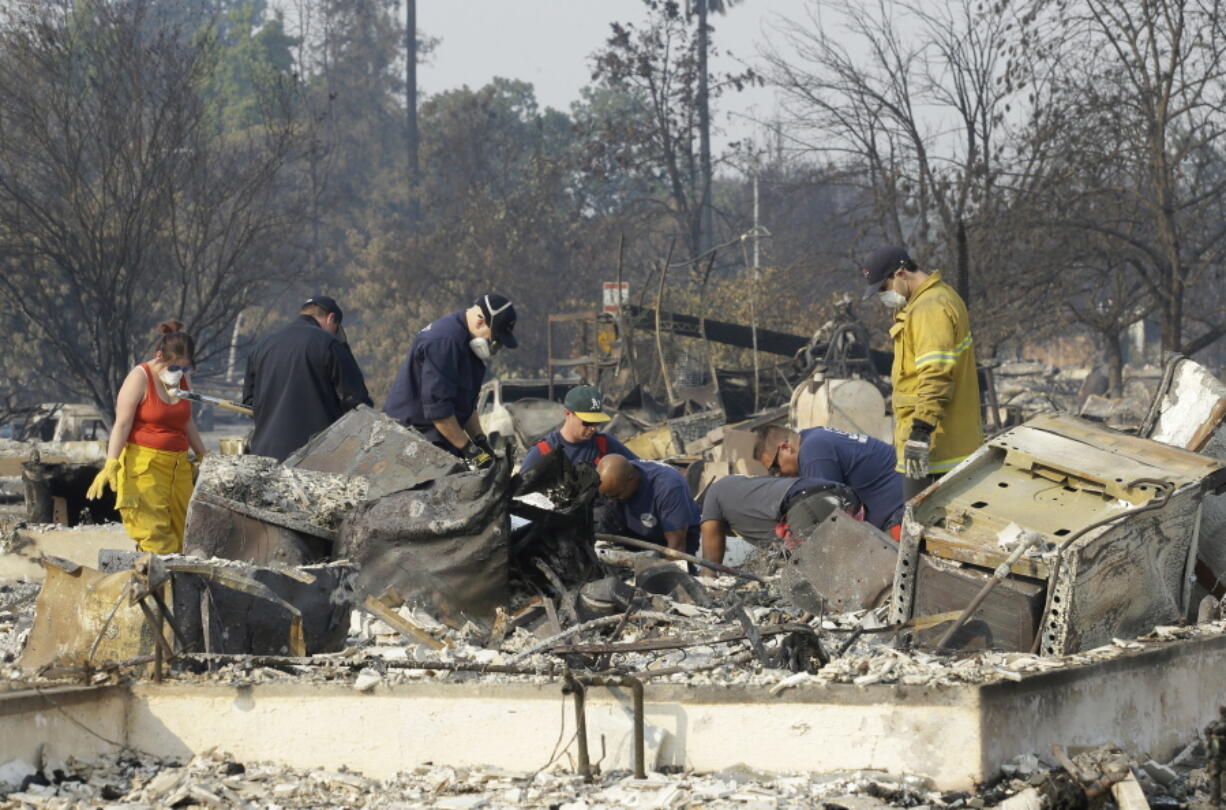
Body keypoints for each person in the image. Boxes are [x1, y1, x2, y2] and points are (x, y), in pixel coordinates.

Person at [860, 245, 982, 499]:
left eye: (884, 288)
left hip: (937, 448)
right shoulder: (933, 300)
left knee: (921, 532)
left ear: (901, 273)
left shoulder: (929, 309)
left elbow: (935, 375)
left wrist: (921, 431)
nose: (884, 296)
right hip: (937, 445)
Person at [86, 321, 208, 554]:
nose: (178, 373)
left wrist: (203, 454)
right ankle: (158, 588)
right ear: (159, 355)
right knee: (156, 540)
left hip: (178, 470)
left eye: (184, 368)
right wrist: (111, 462)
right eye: (173, 367)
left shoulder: (183, 378)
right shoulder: (139, 377)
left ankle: (179, 587)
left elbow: (186, 420)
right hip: (145, 470)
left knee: (185, 537)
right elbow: (122, 424)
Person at [384, 294, 518, 467]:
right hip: (412, 441)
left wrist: (482, 443)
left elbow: (465, 405)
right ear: (480, 321)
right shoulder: (444, 342)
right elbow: (439, 411)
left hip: (438, 438)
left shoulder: (468, 343)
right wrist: (471, 451)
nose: (495, 345)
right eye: (496, 339)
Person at [243, 295, 372, 462]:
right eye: (336, 328)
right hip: (315, 460)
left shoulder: (261, 347)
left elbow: (248, 403)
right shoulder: (329, 344)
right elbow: (357, 402)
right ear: (331, 318)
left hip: (265, 458)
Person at [753, 424, 904, 534]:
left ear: (786, 447)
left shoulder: (812, 454)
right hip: (900, 499)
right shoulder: (811, 436)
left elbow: (826, 517)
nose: (778, 474)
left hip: (896, 511)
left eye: (775, 467)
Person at [699, 474, 857, 570]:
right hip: (843, 495)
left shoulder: (713, 496)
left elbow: (710, 564)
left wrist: (705, 580)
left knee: (812, 576)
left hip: (807, 502)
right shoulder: (745, 487)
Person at [596, 454, 701, 555]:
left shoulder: (669, 487)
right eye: (606, 496)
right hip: (635, 531)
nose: (610, 501)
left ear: (631, 478)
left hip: (675, 536)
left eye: (616, 495)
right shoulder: (616, 483)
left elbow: (677, 547)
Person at [519, 385, 638, 471]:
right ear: (568, 413)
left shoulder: (604, 444)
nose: (593, 428)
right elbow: (521, 494)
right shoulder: (544, 451)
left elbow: (641, 467)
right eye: (587, 422)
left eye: (596, 423)